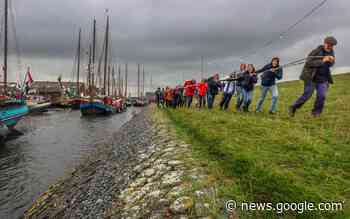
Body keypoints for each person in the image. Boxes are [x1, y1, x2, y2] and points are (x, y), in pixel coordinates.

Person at [289, 36, 337, 117]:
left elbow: (330, 65)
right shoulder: (316, 51)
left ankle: (316, 113)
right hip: (311, 77)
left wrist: (332, 61)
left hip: (323, 78)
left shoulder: (331, 52)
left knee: (321, 96)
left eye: (332, 45)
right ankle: (293, 107)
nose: (330, 47)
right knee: (307, 95)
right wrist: (322, 61)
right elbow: (308, 62)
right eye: (329, 44)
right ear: (325, 43)